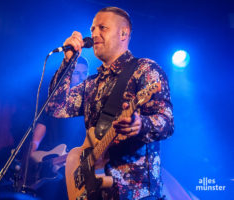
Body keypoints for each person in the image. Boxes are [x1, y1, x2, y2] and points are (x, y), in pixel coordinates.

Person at [45, 6, 174, 200]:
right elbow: (55, 107)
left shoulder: (145, 70)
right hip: (97, 192)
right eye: (92, 29)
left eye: (102, 28)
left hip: (135, 193)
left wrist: (140, 125)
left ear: (124, 33)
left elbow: (167, 122)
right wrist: (68, 62)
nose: (94, 34)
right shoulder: (92, 83)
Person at [28, 57, 88, 200]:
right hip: (48, 161)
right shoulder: (53, 102)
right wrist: (33, 154)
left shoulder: (89, 105)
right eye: (76, 73)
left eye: (84, 74)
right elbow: (38, 135)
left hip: (74, 166)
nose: (80, 78)